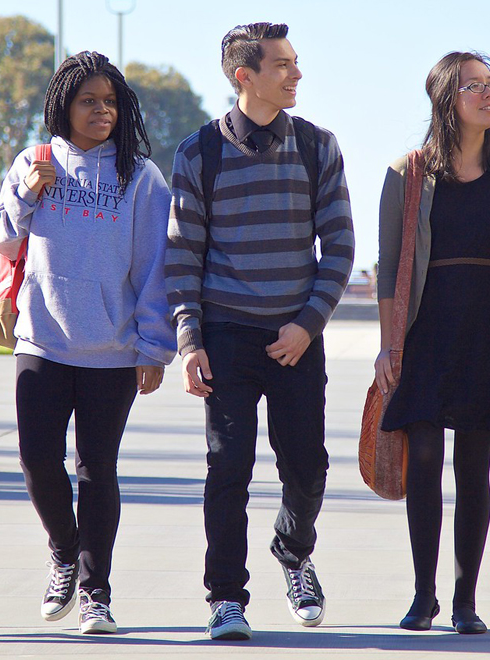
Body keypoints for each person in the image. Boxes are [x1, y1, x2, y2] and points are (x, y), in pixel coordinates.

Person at [166, 21, 354, 642]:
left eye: (296, 62)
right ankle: (226, 599)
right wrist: (190, 343)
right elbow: (182, 257)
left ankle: (293, 552)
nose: (296, 73)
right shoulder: (199, 153)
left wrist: (307, 324)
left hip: (299, 336)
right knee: (228, 470)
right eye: (283, 65)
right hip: (227, 336)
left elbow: (341, 248)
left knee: (307, 466)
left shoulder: (318, 147)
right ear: (245, 76)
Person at [0, 51, 175, 635]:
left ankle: (96, 593)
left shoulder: (141, 177)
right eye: (89, 101)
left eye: (111, 102)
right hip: (40, 341)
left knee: (97, 470)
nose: (102, 111)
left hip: (112, 351)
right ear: (64, 106)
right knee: (36, 459)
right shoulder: (33, 162)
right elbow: (4, 242)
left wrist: (153, 347)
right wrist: (23, 191)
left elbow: (155, 268)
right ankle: (64, 553)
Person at [374, 51, 490, 635]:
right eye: (473, 86)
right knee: (422, 461)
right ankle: (424, 596)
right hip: (425, 334)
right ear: (447, 100)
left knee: (475, 466)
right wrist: (387, 347)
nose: (488, 94)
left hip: (487, 337)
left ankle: (465, 600)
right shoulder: (408, 173)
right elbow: (390, 267)